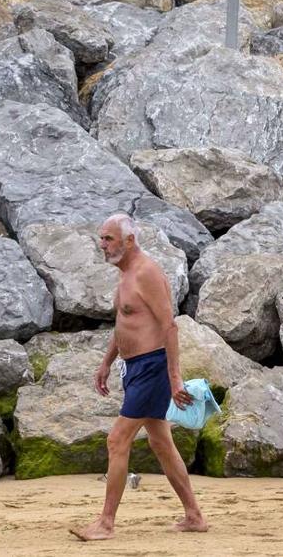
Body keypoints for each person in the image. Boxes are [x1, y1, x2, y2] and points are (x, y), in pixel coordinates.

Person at [70, 213, 209, 541]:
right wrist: (106, 363)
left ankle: (105, 523)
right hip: (133, 369)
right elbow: (125, 324)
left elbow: (169, 326)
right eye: (101, 238)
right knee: (161, 442)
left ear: (129, 241)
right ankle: (194, 515)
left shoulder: (147, 273)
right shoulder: (125, 274)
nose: (102, 245)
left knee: (117, 440)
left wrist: (174, 378)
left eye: (108, 239)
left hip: (152, 367)